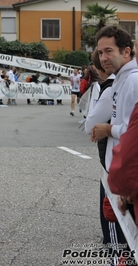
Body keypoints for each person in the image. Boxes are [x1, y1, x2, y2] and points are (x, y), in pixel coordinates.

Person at [90, 25, 138, 265]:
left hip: (126, 181)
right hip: (118, 176)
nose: (103, 57)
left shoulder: (132, 81)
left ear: (126, 51)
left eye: (109, 51)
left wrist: (107, 129)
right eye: (100, 52)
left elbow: (133, 133)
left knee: (122, 250)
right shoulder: (120, 80)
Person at [84, 47, 118, 252]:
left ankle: (114, 245)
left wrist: (107, 128)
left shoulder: (110, 88)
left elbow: (90, 124)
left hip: (113, 156)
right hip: (114, 153)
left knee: (110, 203)